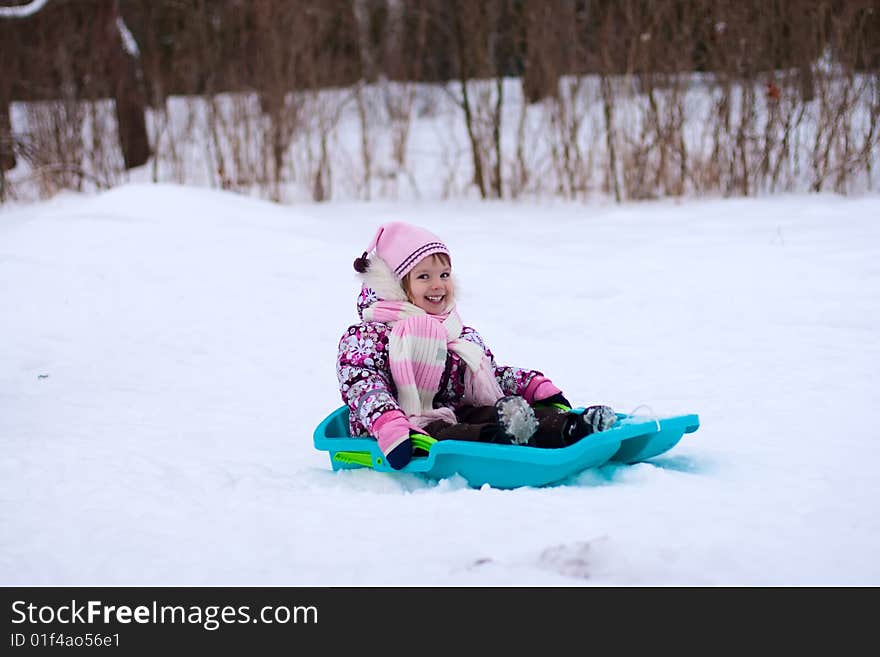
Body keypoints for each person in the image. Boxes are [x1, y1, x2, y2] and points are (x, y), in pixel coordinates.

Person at [336, 221, 617, 470]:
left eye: (444, 275)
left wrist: (531, 385)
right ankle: (501, 439)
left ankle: (571, 427)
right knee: (448, 432)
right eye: (424, 276)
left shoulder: (456, 331)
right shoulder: (369, 336)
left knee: (495, 410)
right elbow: (363, 384)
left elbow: (490, 374)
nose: (438, 285)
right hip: (405, 427)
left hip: (457, 412)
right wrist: (388, 424)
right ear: (396, 286)